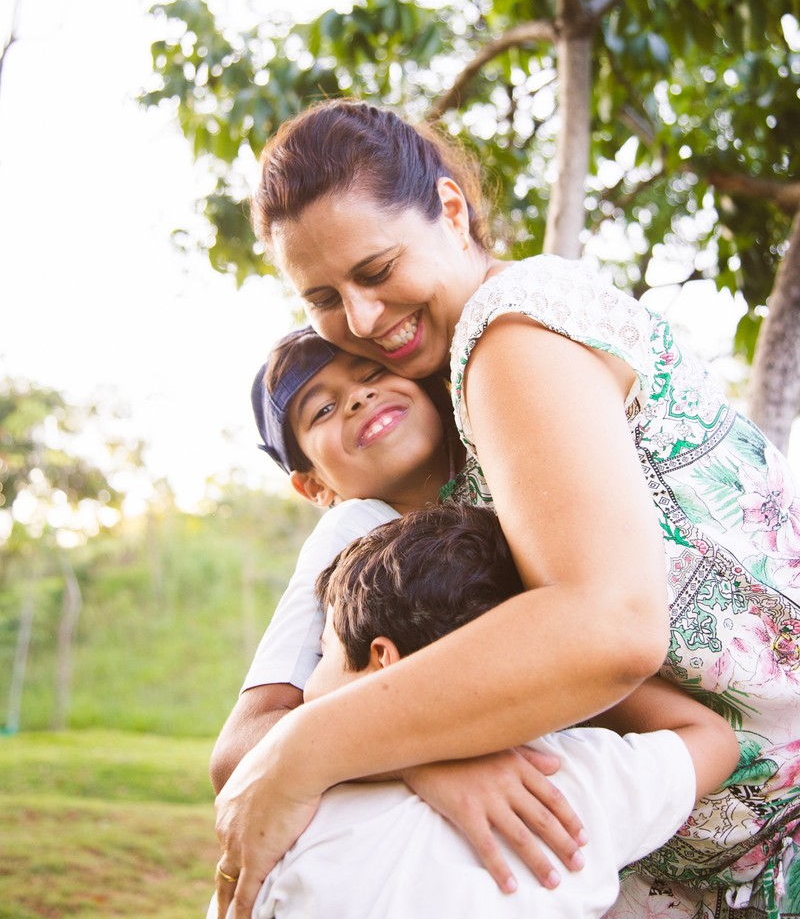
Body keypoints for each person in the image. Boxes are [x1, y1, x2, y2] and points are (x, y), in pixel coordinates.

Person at [215, 99, 800, 919]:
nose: (361, 321)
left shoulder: (511, 330)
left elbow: (608, 626)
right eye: (323, 297)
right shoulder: (436, 433)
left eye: (377, 271)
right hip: (671, 863)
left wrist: (306, 752)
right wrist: (422, 751)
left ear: (452, 212)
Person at [229, 502, 737, 919]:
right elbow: (710, 736)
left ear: (383, 659)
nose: (311, 681)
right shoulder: (574, 779)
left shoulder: (297, 808)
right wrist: (567, 669)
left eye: (324, 654)